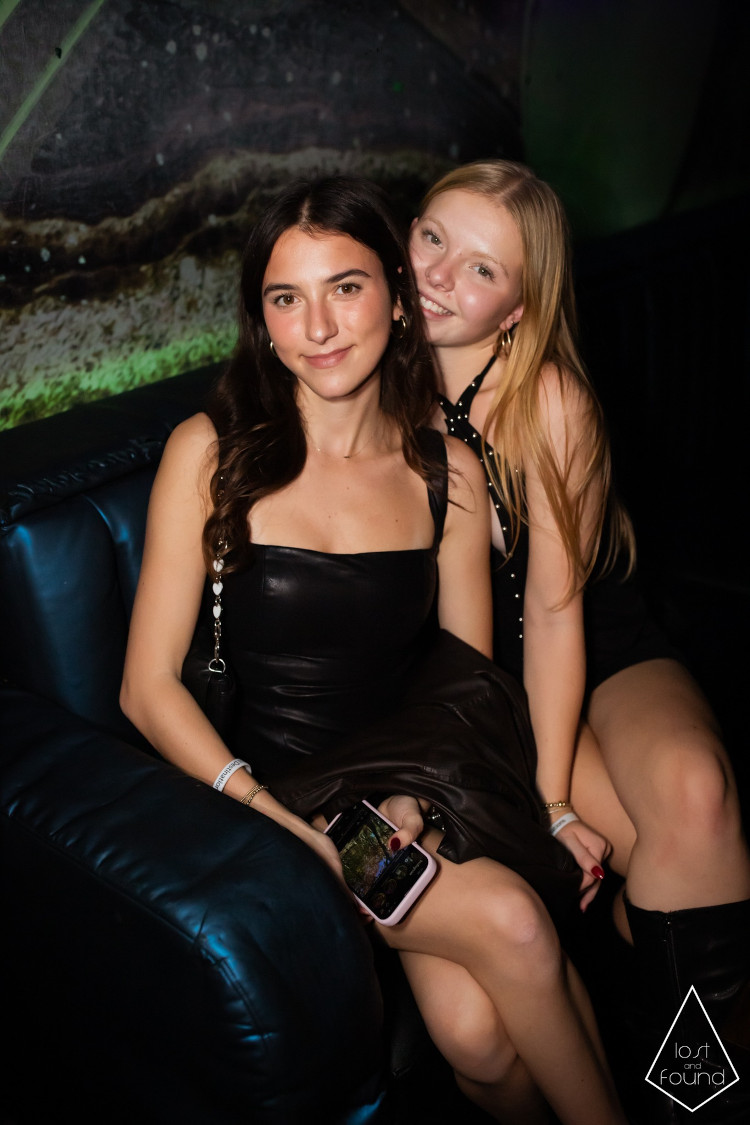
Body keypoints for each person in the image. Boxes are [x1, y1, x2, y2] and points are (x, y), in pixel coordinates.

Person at [121, 176, 627, 1125]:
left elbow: (463, 691)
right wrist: (279, 818)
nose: (317, 326)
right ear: (262, 320)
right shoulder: (209, 452)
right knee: (515, 922)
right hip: (267, 794)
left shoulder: (448, 473)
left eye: (345, 288)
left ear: (396, 297)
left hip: (401, 789)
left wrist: (411, 802)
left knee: (476, 1034)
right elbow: (145, 689)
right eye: (286, 297)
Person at [410, 158, 750, 1119]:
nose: (440, 275)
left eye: (482, 268)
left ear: (518, 308)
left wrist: (553, 798)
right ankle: (687, 1071)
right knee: (662, 869)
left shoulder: (550, 399)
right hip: (482, 677)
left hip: (591, 636)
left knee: (697, 795)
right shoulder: (366, 371)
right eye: (432, 237)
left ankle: (698, 1096)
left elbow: (559, 614)